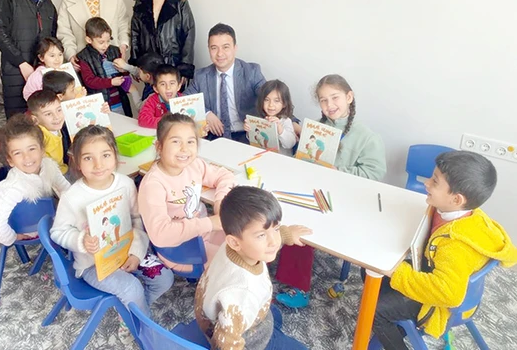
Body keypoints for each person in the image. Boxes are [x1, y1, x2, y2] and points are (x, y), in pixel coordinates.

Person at [373, 151, 517, 349]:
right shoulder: (460, 212)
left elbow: (449, 294)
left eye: (435, 181)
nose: (426, 183)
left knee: (376, 310)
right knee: (372, 274)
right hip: (439, 274)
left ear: (456, 199)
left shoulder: (456, 246)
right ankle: (394, 320)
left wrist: (398, 272)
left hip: (440, 303)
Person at [275, 73, 387, 308]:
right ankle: (268, 255)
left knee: (303, 219)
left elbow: (375, 173)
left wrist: (338, 170)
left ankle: (299, 288)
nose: (329, 105)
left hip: (346, 198)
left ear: (349, 97)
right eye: (323, 100)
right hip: (314, 190)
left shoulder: (368, 137)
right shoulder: (317, 128)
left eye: (335, 97)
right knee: (277, 205)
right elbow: (303, 159)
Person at [51, 126, 174, 323]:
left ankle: (131, 312)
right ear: (77, 162)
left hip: (126, 251)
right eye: (88, 158)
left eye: (105, 155)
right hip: (93, 265)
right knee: (131, 288)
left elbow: (137, 220)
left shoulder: (126, 184)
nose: (98, 164)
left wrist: (136, 253)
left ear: (116, 156)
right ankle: (141, 325)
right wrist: (81, 241)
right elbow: (58, 231)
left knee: (165, 279)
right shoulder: (71, 197)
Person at [195, 186, 312, 349]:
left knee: (275, 315)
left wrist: (284, 234)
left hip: (220, 315)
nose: (274, 241)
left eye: (276, 229)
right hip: (251, 342)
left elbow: (265, 237)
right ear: (235, 242)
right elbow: (225, 344)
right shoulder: (242, 292)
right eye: (261, 235)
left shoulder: (232, 246)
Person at [138, 113, 235, 272]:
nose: (184, 149)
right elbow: (160, 235)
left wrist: (220, 201)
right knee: (235, 263)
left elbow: (225, 175)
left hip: (202, 231)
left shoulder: (194, 164)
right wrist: (210, 223)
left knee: (246, 240)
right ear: (159, 146)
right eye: (176, 141)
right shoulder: (153, 185)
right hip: (180, 249)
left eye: (190, 142)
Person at [0, 114, 70, 246]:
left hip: (49, 215)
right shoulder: (13, 187)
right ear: (10, 160)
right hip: (33, 229)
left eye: (31, 149)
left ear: (42, 150)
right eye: (18, 153)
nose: (27, 157)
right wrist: (12, 237)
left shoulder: (48, 165)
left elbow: (66, 190)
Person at [0, 0, 57, 119]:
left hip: (41, 71)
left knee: (43, 119)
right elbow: (0, 32)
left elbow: (52, 39)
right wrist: (21, 64)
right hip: (15, 70)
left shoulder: (48, 5)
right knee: (19, 121)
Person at [184, 23, 266, 144]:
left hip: (246, 136)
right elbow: (183, 100)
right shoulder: (201, 76)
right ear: (209, 49)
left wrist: (292, 122)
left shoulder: (251, 72)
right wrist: (206, 113)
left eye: (225, 47)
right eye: (214, 48)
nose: (220, 54)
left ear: (235, 48)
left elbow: (270, 98)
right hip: (214, 137)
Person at [130, 0, 195, 83]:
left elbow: (189, 33)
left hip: (174, 69)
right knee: (150, 97)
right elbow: (135, 34)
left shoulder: (180, 1)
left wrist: (184, 69)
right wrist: (136, 65)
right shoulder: (141, 2)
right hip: (150, 70)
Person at [77, 17, 132, 116]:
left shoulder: (115, 51)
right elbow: (89, 81)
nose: (106, 45)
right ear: (89, 39)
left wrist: (123, 70)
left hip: (120, 99)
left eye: (108, 41)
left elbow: (125, 74)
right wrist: (111, 82)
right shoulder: (83, 57)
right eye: (101, 42)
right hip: (101, 103)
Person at [244, 80, 298, 155]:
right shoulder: (259, 120)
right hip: (262, 156)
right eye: (266, 100)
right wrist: (249, 131)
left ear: (284, 104)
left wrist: (280, 130)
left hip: (281, 160)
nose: (271, 105)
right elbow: (254, 140)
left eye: (276, 101)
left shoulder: (285, 121)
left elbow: (290, 144)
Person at [27, 90, 68, 175]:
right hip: (51, 175)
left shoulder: (53, 127)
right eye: (48, 114)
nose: (56, 117)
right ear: (35, 119)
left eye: (59, 110)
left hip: (61, 168)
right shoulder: (40, 135)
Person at [138, 64, 181, 128]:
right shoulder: (152, 101)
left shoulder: (185, 100)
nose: (168, 87)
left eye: (172, 83)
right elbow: (142, 119)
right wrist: (168, 122)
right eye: (163, 84)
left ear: (179, 86)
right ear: (156, 89)